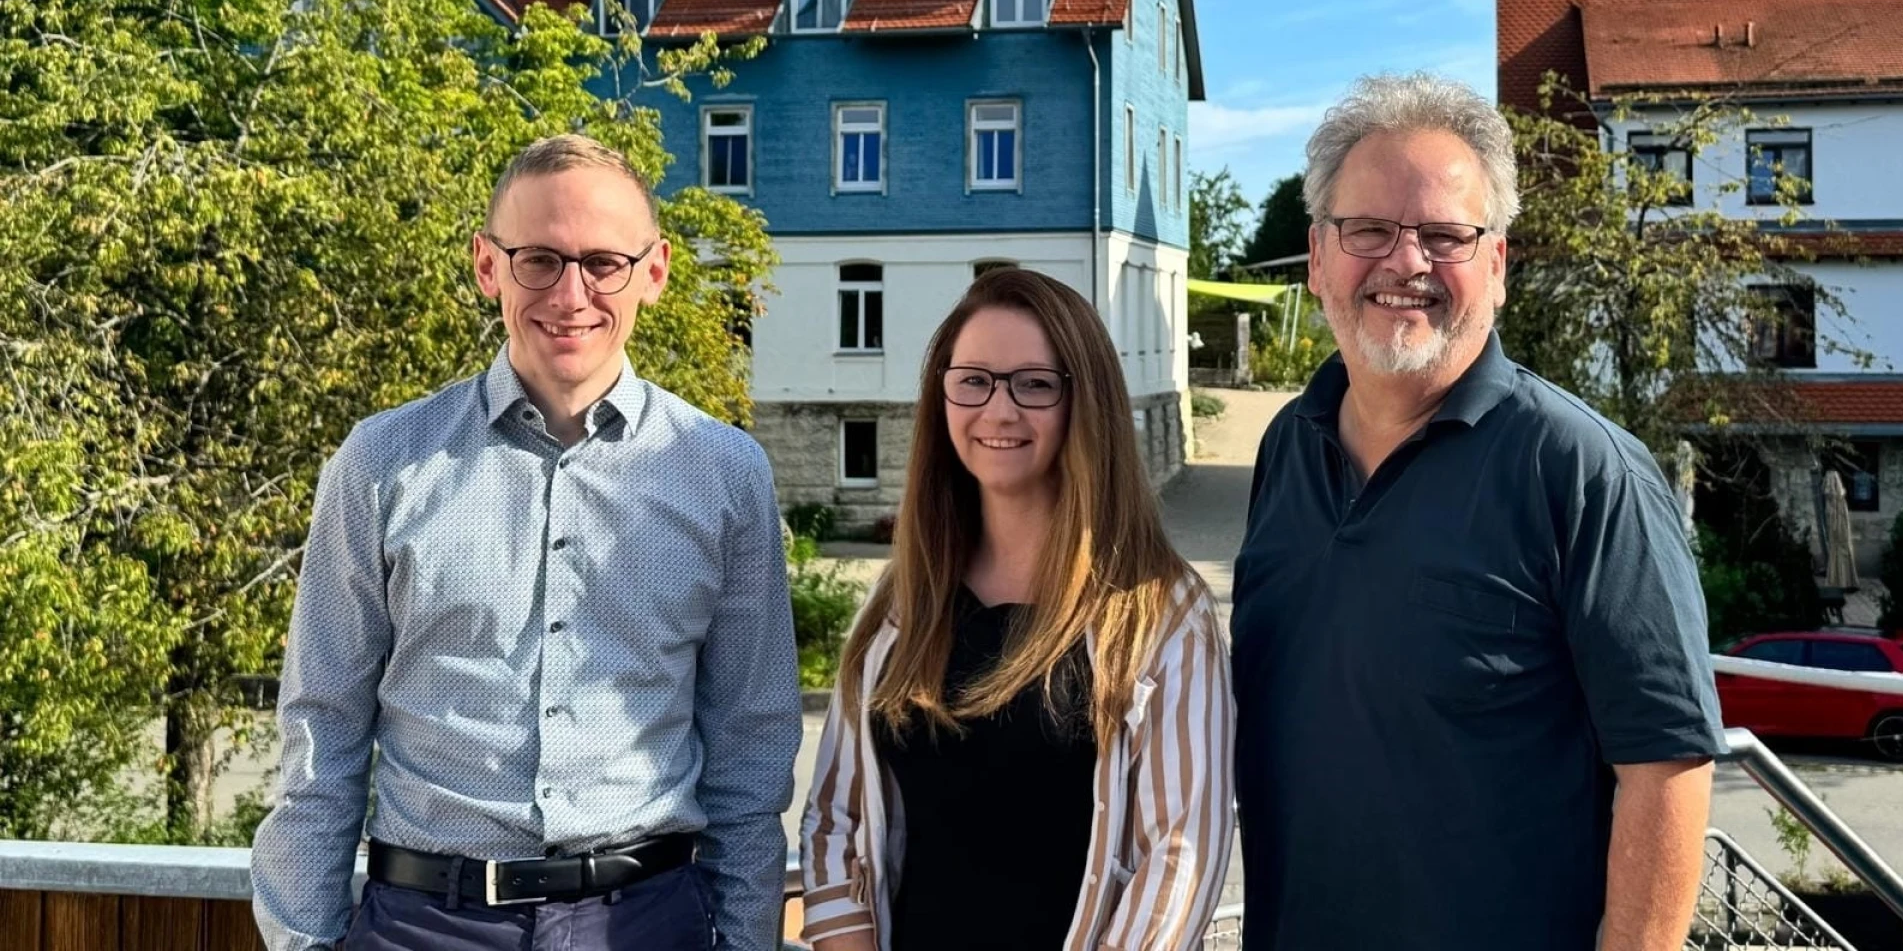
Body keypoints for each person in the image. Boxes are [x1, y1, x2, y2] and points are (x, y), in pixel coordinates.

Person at [250, 135, 801, 951]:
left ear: (654, 272)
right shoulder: (381, 464)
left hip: (648, 922)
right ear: (487, 267)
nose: (571, 293)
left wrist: (745, 942)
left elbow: (750, 748)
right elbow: (320, 733)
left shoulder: (725, 476)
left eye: (603, 261)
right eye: (538, 259)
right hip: (423, 924)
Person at [1231, 73, 1724, 950]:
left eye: (1445, 236)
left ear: (1496, 266)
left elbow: (1666, 767)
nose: (1405, 262)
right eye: (1369, 230)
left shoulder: (1582, 473)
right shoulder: (1284, 449)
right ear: (1317, 258)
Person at [798, 269, 1235, 951]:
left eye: (1034, 383)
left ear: (1083, 402)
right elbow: (834, 817)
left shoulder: (1157, 612)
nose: (998, 411)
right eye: (973, 379)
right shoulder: (906, 600)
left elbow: (1178, 858)